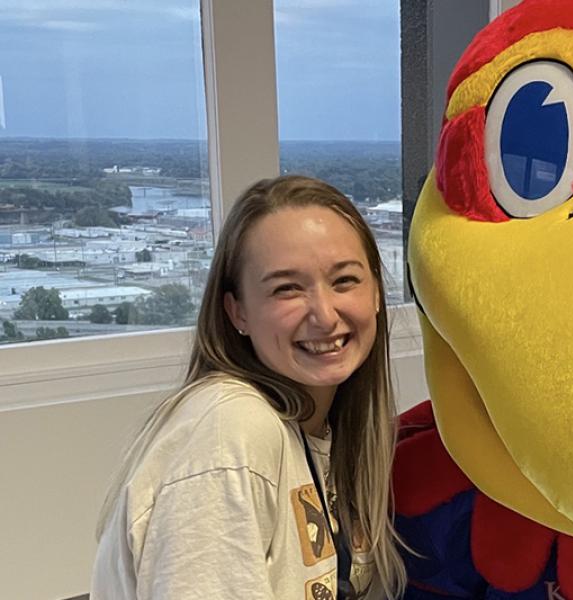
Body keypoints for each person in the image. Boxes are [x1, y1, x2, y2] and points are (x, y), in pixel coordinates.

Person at [91, 175, 406, 600]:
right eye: (286, 288)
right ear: (237, 311)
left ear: (376, 294)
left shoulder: (324, 430)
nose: (325, 315)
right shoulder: (232, 428)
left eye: (344, 280)